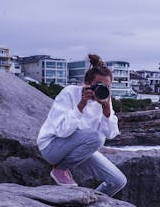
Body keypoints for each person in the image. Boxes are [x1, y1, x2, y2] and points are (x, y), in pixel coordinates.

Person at [37, 54, 127, 197]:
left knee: (118, 181)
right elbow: (62, 132)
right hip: (52, 147)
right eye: (99, 85)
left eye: (107, 87)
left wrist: (107, 113)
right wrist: (80, 106)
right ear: (87, 83)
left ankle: (90, 202)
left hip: (80, 148)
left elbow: (111, 134)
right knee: (97, 137)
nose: (103, 89)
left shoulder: (105, 99)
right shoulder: (70, 93)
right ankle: (60, 169)